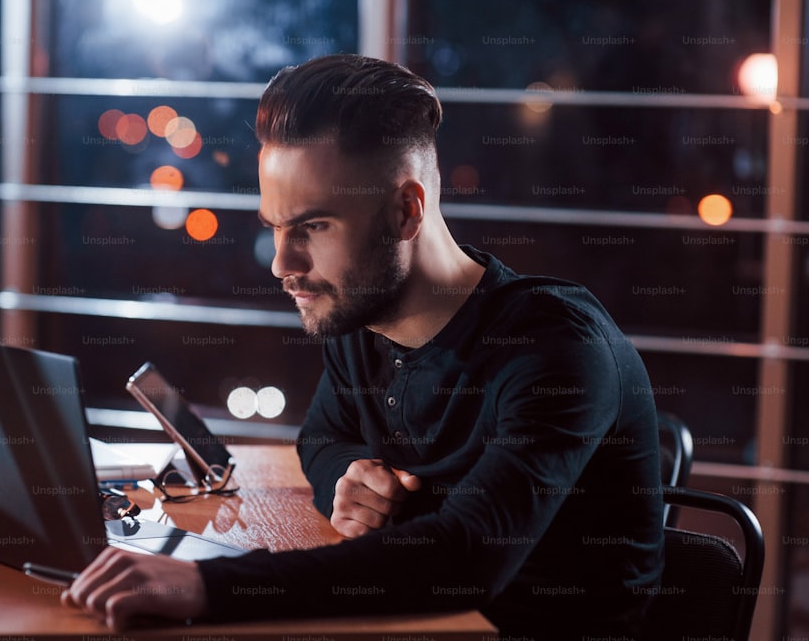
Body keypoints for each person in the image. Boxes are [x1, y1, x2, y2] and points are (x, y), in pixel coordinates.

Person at [63, 53, 664, 639]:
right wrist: (348, 480)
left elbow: (466, 560)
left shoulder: (556, 350)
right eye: (275, 226)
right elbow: (322, 435)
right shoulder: (362, 318)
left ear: (406, 212)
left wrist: (202, 585)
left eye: (314, 227)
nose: (282, 263)